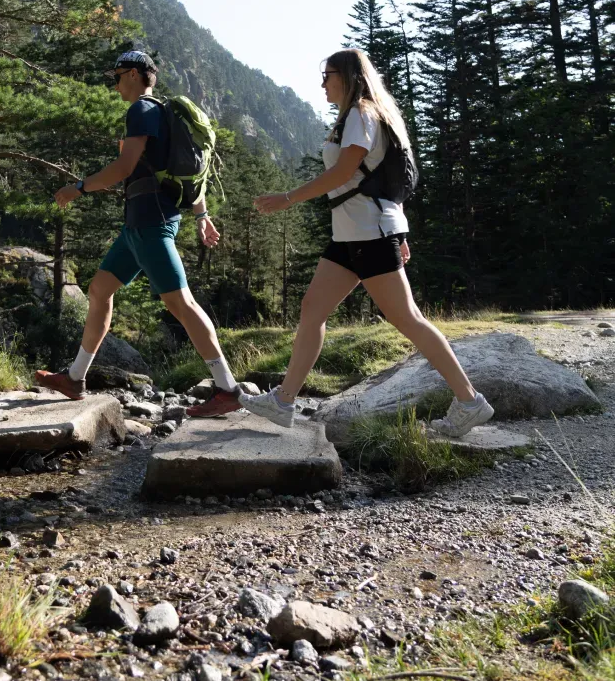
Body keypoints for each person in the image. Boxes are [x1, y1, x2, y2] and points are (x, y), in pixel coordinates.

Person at [239, 48, 494, 437]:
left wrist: (287, 198)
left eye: (327, 75)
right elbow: (379, 178)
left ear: (347, 76)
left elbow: (344, 171)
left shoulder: (361, 113)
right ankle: (283, 401)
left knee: (407, 318)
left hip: (369, 233)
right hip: (352, 234)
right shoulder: (364, 115)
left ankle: (470, 401)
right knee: (312, 309)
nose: (322, 84)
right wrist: (400, 231)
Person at [34, 50, 244, 417]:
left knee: (181, 304)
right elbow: (185, 172)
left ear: (133, 74)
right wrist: (201, 215)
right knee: (99, 289)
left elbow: (124, 166)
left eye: (117, 77)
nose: (115, 85)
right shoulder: (160, 113)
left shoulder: (142, 110)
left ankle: (227, 389)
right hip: (138, 226)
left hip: (151, 223)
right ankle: (75, 378)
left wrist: (79, 187)